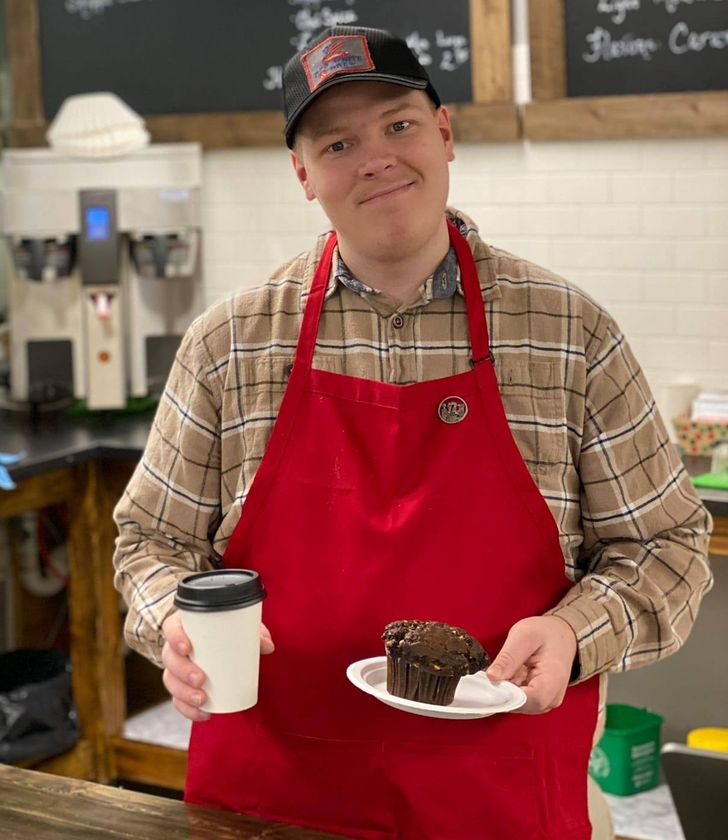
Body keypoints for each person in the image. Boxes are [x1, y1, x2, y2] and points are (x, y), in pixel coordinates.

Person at [113, 25, 713, 840]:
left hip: (496, 794)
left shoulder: (569, 334)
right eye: (337, 142)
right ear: (303, 174)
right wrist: (172, 621)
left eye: (398, 124)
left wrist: (577, 631)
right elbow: (149, 540)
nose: (376, 158)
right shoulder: (232, 342)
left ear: (445, 132)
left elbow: (669, 545)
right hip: (272, 796)